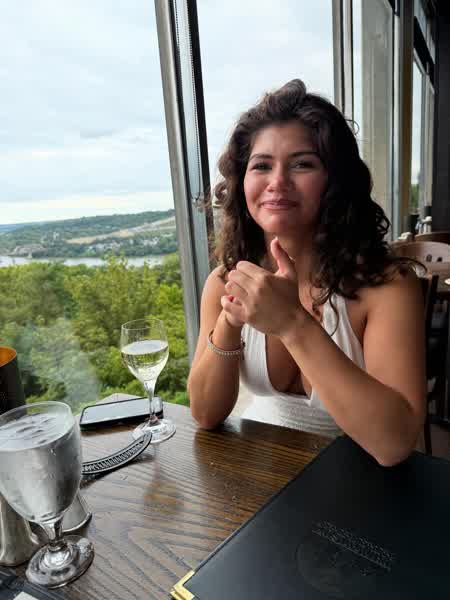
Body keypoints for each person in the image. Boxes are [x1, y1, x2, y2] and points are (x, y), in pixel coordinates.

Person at [187, 79, 425, 466]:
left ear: (335, 181)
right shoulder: (223, 282)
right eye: (261, 166)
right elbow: (204, 413)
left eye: (302, 164)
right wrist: (230, 320)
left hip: (364, 477)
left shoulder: (388, 287)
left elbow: (394, 443)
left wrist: (293, 323)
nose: (277, 182)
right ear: (242, 182)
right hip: (265, 471)